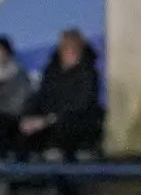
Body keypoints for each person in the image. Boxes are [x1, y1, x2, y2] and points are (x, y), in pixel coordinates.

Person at [20, 29, 103, 159]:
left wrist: (49, 120)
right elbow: (41, 97)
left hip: (77, 127)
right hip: (50, 123)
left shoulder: (89, 74)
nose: (70, 51)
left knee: (68, 124)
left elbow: (81, 106)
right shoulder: (51, 72)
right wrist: (28, 116)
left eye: (74, 48)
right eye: (66, 47)